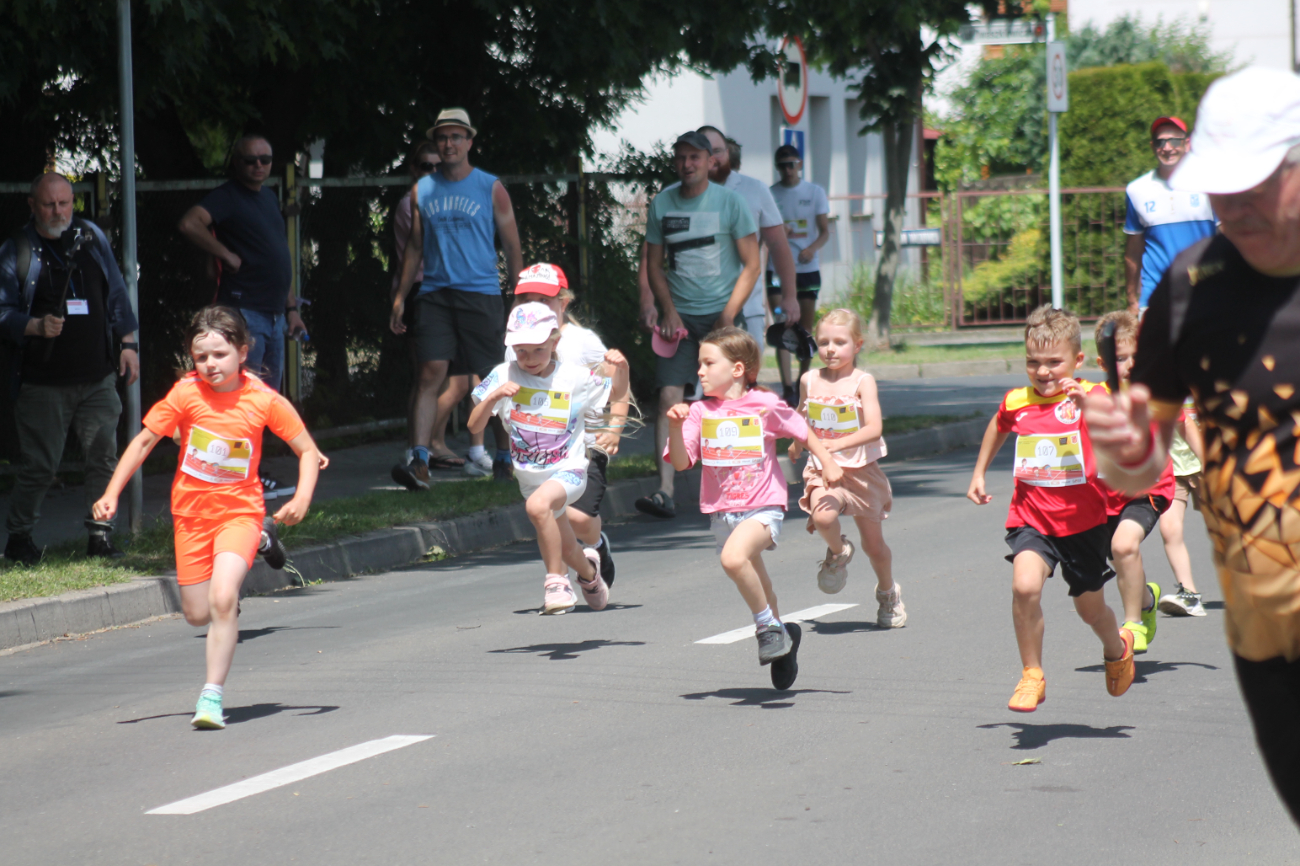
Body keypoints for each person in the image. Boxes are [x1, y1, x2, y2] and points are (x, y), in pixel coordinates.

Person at [1082, 67, 1300, 821]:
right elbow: (1143, 459)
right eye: (1219, 186)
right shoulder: (1190, 284)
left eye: (1255, 184)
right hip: (1262, 620)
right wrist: (1121, 446)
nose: (1230, 206)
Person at [92, 307, 325, 729]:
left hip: (240, 512)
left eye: (219, 354)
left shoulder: (263, 399)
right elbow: (144, 441)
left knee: (221, 600)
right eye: (201, 358)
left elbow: (308, 451)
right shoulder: (185, 394)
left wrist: (303, 497)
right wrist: (111, 493)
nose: (211, 365)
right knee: (197, 614)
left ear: (242, 351)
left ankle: (211, 697)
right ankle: (259, 547)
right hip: (191, 516)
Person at [967, 304, 1135, 713]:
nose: (1042, 372)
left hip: (1083, 524)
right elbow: (999, 424)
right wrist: (979, 472)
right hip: (1032, 517)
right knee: (1024, 586)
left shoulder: (1093, 395)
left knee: (1090, 610)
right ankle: (1032, 674)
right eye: (1032, 362)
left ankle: (1117, 649)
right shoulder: (1018, 400)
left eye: (1053, 363)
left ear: (1077, 361)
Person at [665, 326, 842, 690]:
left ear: (737, 369)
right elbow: (682, 463)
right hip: (721, 512)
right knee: (758, 580)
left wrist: (826, 461)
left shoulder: (763, 403)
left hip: (762, 505)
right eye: (699, 363)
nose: (699, 371)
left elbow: (801, 429)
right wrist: (674, 427)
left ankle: (766, 627)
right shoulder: (698, 412)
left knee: (732, 560)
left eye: (708, 362)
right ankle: (784, 640)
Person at [0, 172, 140, 565]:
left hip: (97, 375)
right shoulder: (18, 250)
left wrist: (128, 344)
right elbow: (3, 313)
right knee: (41, 466)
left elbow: (116, 293)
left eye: (65, 203)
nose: (59, 211)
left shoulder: (90, 237)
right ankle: (20, 537)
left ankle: (99, 535)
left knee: (103, 455)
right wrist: (34, 326)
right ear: (33, 206)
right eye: (49, 204)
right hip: (43, 383)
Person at [391, 109, 523, 490]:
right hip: (434, 294)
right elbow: (415, 246)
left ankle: (503, 457)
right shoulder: (423, 189)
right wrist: (400, 297)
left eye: (455, 137)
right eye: (442, 138)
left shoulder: (490, 186)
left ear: (469, 141)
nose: (448, 144)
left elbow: (512, 245)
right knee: (430, 372)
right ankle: (419, 459)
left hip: (480, 294)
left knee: (492, 378)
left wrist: (521, 297)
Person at [635, 130, 760, 521]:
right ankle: (665, 491)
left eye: (695, 157)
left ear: (711, 162)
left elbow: (752, 263)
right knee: (669, 399)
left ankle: (739, 479)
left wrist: (728, 315)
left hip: (721, 314)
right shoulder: (662, 204)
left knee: (728, 400)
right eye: (681, 158)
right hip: (681, 319)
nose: (687, 164)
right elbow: (654, 265)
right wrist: (666, 309)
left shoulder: (731, 202)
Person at [178, 133, 305, 501]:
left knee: (263, 399)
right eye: (251, 160)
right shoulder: (227, 196)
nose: (259, 166)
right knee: (235, 398)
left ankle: (248, 473)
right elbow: (190, 223)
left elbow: (280, 257)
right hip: (243, 312)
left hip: (274, 314)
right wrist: (226, 255)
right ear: (237, 162)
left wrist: (291, 308)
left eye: (265, 160)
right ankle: (231, 477)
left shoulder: (268, 197)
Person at [468, 302, 610, 615]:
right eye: (520, 351)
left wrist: (621, 379)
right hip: (531, 478)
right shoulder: (504, 375)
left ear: (554, 343)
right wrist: (493, 397)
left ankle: (556, 582)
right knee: (568, 545)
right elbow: (473, 425)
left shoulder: (573, 377)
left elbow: (615, 393)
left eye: (537, 350)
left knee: (538, 506)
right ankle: (590, 577)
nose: (528, 359)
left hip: (569, 470)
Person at [509, 263, 630, 586]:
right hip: (543, 451)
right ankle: (568, 573)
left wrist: (615, 426)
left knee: (578, 518)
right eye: (526, 301)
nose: (534, 307)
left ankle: (597, 543)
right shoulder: (515, 345)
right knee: (556, 512)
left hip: (585, 445)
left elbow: (617, 383)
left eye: (544, 300)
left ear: (564, 303)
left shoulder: (582, 341)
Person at [788, 309, 903, 627]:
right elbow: (801, 415)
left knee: (874, 546)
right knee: (823, 516)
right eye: (823, 342)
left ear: (857, 344)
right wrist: (798, 443)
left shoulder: (862, 382)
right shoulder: (809, 379)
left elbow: (874, 428)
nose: (830, 349)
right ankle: (838, 552)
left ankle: (888, 593)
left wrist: (836, 445)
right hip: (822, 469)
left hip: (860, 471)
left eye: (840, 342)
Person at [390, 141, 490, 476]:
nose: (432, 172)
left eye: (438, 166)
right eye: (425, 166)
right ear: (413, 170)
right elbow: (424, 249)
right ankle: (422, 448)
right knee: (430, 376)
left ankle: (434, 443)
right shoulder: (413, 202)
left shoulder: (447, 199)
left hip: (455, 291)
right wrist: (401, 301)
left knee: (463, 380)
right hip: (427, 291)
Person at [1092, 310, 1175, 653]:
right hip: (1104, 495)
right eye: (1119, 358)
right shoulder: (1093, 396)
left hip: (1148, 489)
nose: (1127, 365)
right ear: (1103, 362)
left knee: (1124, 546)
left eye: (1134, 357)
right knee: (1119, 556)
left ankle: (1133, 624)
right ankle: (1146, 598)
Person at [695, 126, 799, 343]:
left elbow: (779, 246)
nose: (713, 158)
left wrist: (790, 296)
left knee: (746, 374)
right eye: (706, 151)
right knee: (702, 376)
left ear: (728, 153)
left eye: (718, 151)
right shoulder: (677, 194)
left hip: (747, 308)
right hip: (696, 309)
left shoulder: (755, 190)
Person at [1123, 116, 1216, 314]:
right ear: (1152, 146)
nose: (1167, 148)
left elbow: (1229, 238)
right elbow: (1133, 252)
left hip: (1205, 294)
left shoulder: (1210, 184)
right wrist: (1132, 299)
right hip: (1155, 298)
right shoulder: (1136, 190)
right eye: (1160, 142)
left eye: (1174, 141)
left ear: (1187, 144)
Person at [769, 144, 831, 404]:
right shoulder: (771, 193)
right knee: (782, 326)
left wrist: (811, 248)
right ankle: (786, 386)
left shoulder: (814, 192)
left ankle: (802, 379)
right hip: (777, 269)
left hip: (807, 268)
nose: (787, 170)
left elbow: (825, 231)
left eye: (791, 164)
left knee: (804, 329)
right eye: (782, 166)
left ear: (800, 164)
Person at [1157, 396, 1206, 617]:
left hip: (1207, 462)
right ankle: (1190, 595)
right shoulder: (1155, 381)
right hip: (1170, 470)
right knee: (1169, 528)